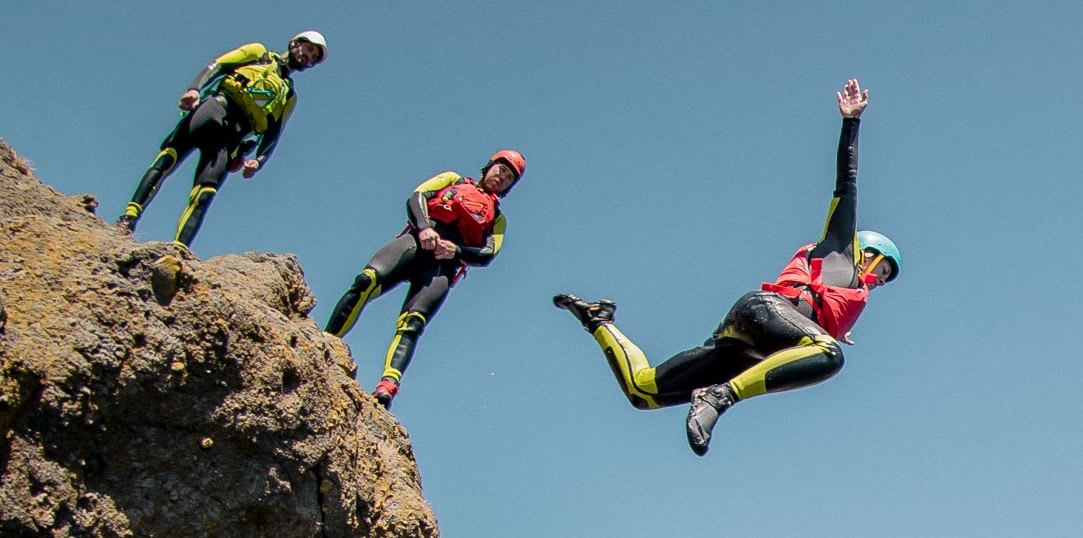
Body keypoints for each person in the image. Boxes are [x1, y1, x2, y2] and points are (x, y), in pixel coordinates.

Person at [552, 78, 900, 457]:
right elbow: (846, 185)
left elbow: (825, 318)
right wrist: (852, 123)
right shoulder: (840, 250)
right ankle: (720, 397)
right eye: (882, 270)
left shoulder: (838, 311)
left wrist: (833, 327)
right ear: (867, 252)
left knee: (644, 391)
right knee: (829, 354)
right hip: (762, 312)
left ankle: (598, 321)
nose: (879, 282)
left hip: (745, 349)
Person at [325, 153, 525, 407]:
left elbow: (488, 254)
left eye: (509, 178)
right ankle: (326, 340)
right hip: (416, 243)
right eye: (501, 170)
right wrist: (424, 228)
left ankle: (387, 386)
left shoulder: (498, 219)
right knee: (366, 281)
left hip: (443, 266)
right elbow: (417, 196)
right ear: (489, 167)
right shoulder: (453, 179)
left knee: (413, 323)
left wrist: (457, 251)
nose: (502, 177)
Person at [116, 33, 328, 248]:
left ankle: (179, 251)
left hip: (232, 138)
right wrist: (194, 89)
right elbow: (216, 66)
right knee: (167, 159)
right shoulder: (258, 53)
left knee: (205, 193)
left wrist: (259, 161)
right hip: (214, 110)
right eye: (308, 49)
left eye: (313, 57)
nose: (308, 57)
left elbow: (274, 134)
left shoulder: (289, 95)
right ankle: (128, 219)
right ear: (294, 43)